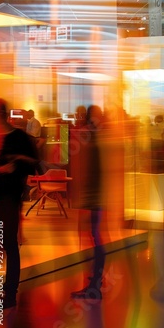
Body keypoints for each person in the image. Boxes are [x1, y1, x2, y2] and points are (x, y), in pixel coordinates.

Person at [0, 98, 38, 310]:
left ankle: (9, 294)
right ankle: (7, 292)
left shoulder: (18, 137)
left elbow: (34, 163)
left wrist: (14, 164)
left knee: (8, 244)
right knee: (3, 244)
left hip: (8, 198)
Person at [70, 105, 105, 300]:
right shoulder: (96, 134)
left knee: (95, 239)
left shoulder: (91, 135)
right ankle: (96, 281)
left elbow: (88, 170)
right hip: (96, 197)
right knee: (96, 238)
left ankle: (94, 284)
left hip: (94, 198)